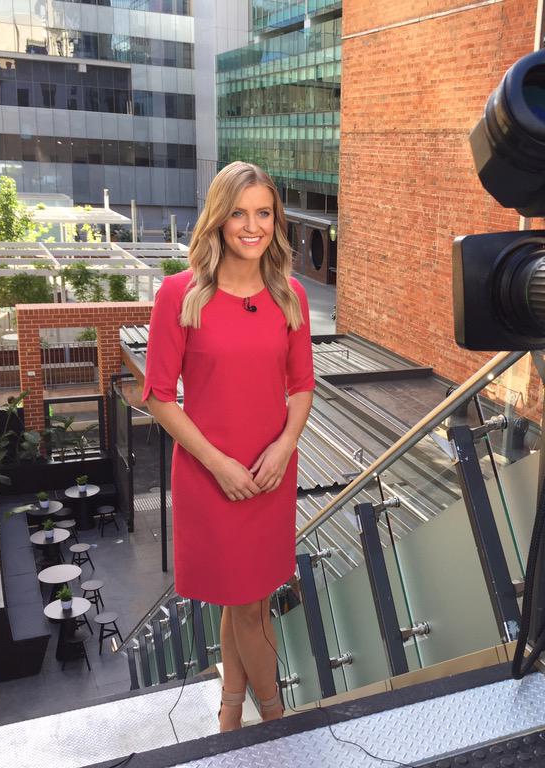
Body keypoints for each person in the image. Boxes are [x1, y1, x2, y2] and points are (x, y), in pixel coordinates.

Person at [142, 162, 314, 731]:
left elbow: (302, 385)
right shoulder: (180, 294)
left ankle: (231, 713)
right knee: (245, 603)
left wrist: (285, 446)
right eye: (239, 213)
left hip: (269, 474)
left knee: (249, 600)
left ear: (276, 221)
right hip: (211, 475)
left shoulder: (289, 295)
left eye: (264, 213)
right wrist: (218, 465)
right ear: (218, 218)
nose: (252, 226)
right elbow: (158, 397)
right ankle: (275, 722)